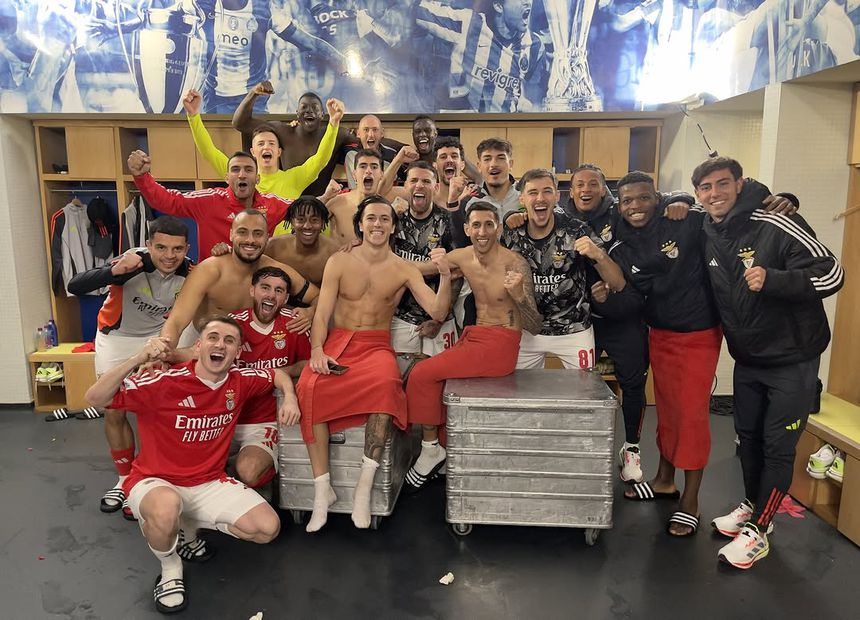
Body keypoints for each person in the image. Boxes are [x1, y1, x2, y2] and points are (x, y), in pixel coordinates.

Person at [85, 317, 299, 614]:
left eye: (229, 341)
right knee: (166, 507)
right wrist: (139, 357)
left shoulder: (239, 380)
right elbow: (95, 397)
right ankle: (171, 566)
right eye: (213, 337)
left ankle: (186, 526)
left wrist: (289, 398)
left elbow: (276, 374)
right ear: (198, 346)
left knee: (266, 529)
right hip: (155, 480)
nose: (220, 345)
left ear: (238, 353)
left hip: (208, 481)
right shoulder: (161, 382)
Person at [693, 157, 843, 569]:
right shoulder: (707, 227)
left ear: (740, 185)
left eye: (722, 184)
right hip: (749, 357)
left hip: (792, 359)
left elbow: (832, 272)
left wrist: (775, 279)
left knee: (778, 447)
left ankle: (760, 530)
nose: (714, 194)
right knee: (748, 440)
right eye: (705, 188)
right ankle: (754, 506)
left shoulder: (776, 221)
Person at [297, 195, 452, 531]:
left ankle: (363, 490)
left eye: (384, 219)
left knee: (385, 388)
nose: (377, 224)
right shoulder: (339, 261)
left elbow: (438, 312)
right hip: (338, 341)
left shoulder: (404, 268)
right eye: (371, 218)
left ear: (393, 226)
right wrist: (317, 350)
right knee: (308, 385)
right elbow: (322, 313)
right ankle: (323, 490)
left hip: (376, 345)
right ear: (360, 224)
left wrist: (443, 274)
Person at [609, 171, 722, 538]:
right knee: (669, 410)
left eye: (643, 198)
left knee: (691, 416)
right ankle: (664, 480)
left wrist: (683, 198)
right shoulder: (625, 236)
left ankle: (690, 501)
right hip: (659, 333)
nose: (635, 207)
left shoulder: (685, 218)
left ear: (656, 198)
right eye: (627, 201)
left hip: (697, 334)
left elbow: (736, 197)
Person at [404, 201, 542, 492]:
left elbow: (534, 325)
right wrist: (368, 252)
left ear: (499, 228)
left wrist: (518, 296)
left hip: (501, 345)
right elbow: (420, 268)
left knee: (422, 374)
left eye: (489, 224)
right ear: (467, 229)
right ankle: (443, 446)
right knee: (434, 380)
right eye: (476, 225)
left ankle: (430, 449)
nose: (482, 231)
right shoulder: (463, 256)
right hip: (474, 335)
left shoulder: (514, 263)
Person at [67, 216, 192, 519]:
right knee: (114, 408)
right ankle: (124, 480)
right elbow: (74, 285)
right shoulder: (132, 262)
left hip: (163, 334)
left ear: (186, 248)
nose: (169, 255)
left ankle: (162, 472)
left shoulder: (192, 270)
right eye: (161, 247)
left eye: (177, 249)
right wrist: (112, 270)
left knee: (172, 406)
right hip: (119, 336)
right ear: (149, 245)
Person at [501, 168, 625, 370]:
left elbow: (618, 283)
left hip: (574, 329)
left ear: (557, 196)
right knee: (523, 396)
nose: (540, 198)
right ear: (522, 199)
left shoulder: (576, 229)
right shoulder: (511, 233)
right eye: (533, 193)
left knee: (584, 392)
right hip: (527, 328)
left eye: (547, 191)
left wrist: (598, 254)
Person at [160, 209, 319, 348]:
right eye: (242, 232)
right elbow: (176, 322)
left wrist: (311, 312)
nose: (250, 240)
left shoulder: (277, 271)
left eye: (258, 234)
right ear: (231, 234)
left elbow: (318, 296)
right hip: (200, 341)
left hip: (251, 346)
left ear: (267, 237)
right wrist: (164, 349)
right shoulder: (209, 270)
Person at [184, 89, 346, 208]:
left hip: (285, 250)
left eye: (271, 143)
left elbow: (321, 159)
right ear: (253, 152)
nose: (266, 147)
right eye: (261, 144)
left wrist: (333, 123)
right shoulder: (241, 177)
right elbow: (209, 152)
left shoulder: (294, 179)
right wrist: (193, 116)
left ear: (279, 151)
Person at [128, 149, 291, 261]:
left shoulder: (272, 204)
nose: (241, 175)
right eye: (235, 170)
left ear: (257, 178)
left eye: (248, 170)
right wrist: (142, 177)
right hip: (212, 284)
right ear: (227, 178)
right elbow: (168, 201)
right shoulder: (209, 201)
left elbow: (306, 208)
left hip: (255, 285)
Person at [391, 161, 460, 375]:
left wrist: (439, 318)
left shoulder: (449, 222)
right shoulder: (393, 221)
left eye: (426, 181)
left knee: (442, 382)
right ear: (405, 186)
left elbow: (457, 274)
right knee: (401, 382)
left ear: (436, 187)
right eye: (413, 180)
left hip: (441, 320)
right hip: (401, 318)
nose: (419, 186)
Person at [233, 88, 358, 196]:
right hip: (287, 204)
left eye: (314, 107)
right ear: (297, 114)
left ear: (322, 114)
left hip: (322, 205)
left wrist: (360, 133)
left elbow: (364, 147)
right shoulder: (283, 132)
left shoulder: (338, 134)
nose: (309, 111)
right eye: (304, 107)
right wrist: (253, 93)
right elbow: (240, 123)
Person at [325, 148, 415, 244]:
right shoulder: (337, 203)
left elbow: (425, 194)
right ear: (354, 174)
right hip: (343, 258)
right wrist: (325, 197)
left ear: (381, 174)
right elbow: (308, 221)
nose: (368, 171)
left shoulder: (390, 200)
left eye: (374, 167)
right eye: (363, 166)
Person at [449, 137, 521, 247]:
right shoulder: (468, 201)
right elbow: (460, 244)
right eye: (487, 159)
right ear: (479, 166)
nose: (493, 164)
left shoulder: (526, 195)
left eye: (500, 158)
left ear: (510, 164)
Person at [264, 196, 339, 287]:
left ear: (322, 223)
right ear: (292, 222)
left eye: (314, 220)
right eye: (301, 220)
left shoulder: (334, 253)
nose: (307, 226)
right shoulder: (272, 247)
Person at [344, 114, 408, 188]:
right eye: (366, 130)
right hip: (355, 197)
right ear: (358, 133)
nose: (371, 134)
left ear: (382, 133)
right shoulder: (350, 152)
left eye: (375, 130)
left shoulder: (392, 155)